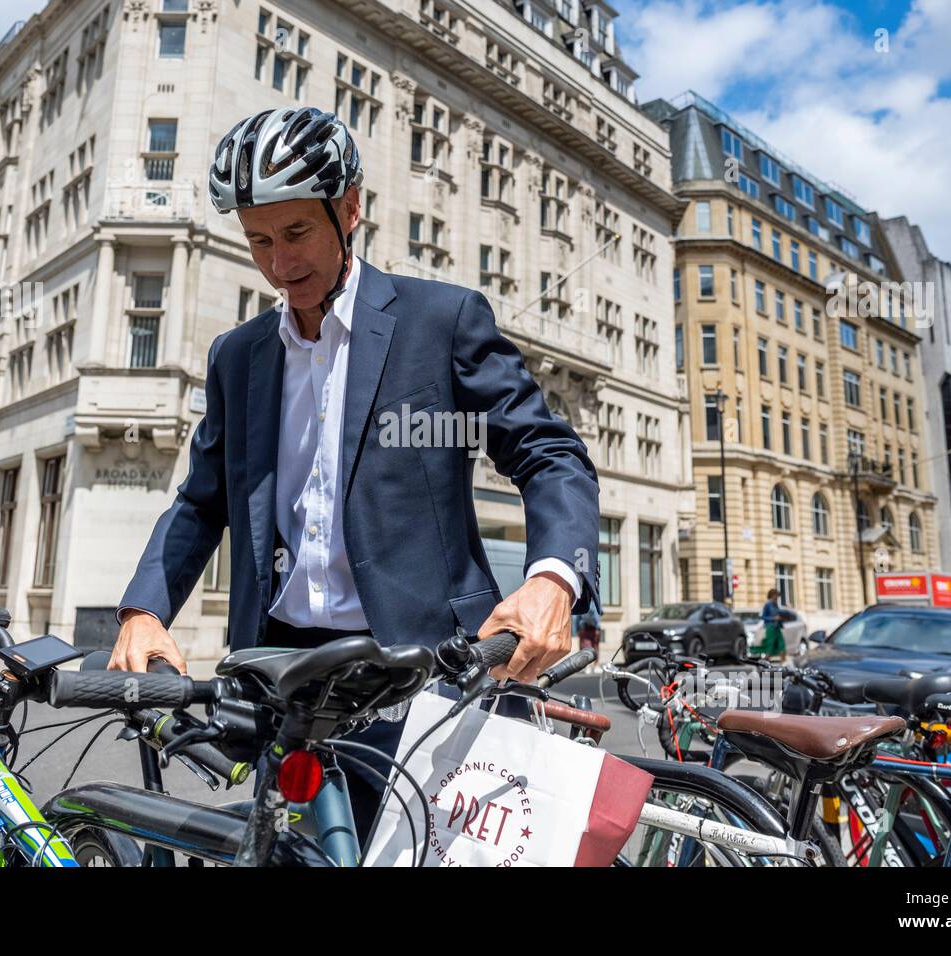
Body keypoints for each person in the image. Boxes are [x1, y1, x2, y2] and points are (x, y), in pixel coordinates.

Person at [110, 107, 600, 840]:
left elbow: (548, 453)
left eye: (298, 232)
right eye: (259, 241)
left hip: (429, 673)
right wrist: (144, 609)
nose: (280, 263)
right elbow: (200, 501)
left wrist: (553, 578)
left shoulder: (442, 320)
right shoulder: (238, 358)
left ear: (350, 209)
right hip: (287, 679)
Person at [757, 588, 789, 661]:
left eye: (777, 596)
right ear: (772, 595)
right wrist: (773, 618)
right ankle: (765, 663)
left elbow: (778, 614)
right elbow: (762, 616)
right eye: (776, 595)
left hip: (777, 627)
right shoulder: (767, 605)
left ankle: (783, 664)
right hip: (770, 627)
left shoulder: (776, 604)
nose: (777, 597)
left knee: (782, 645)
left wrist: (782, 618)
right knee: (770, 646)